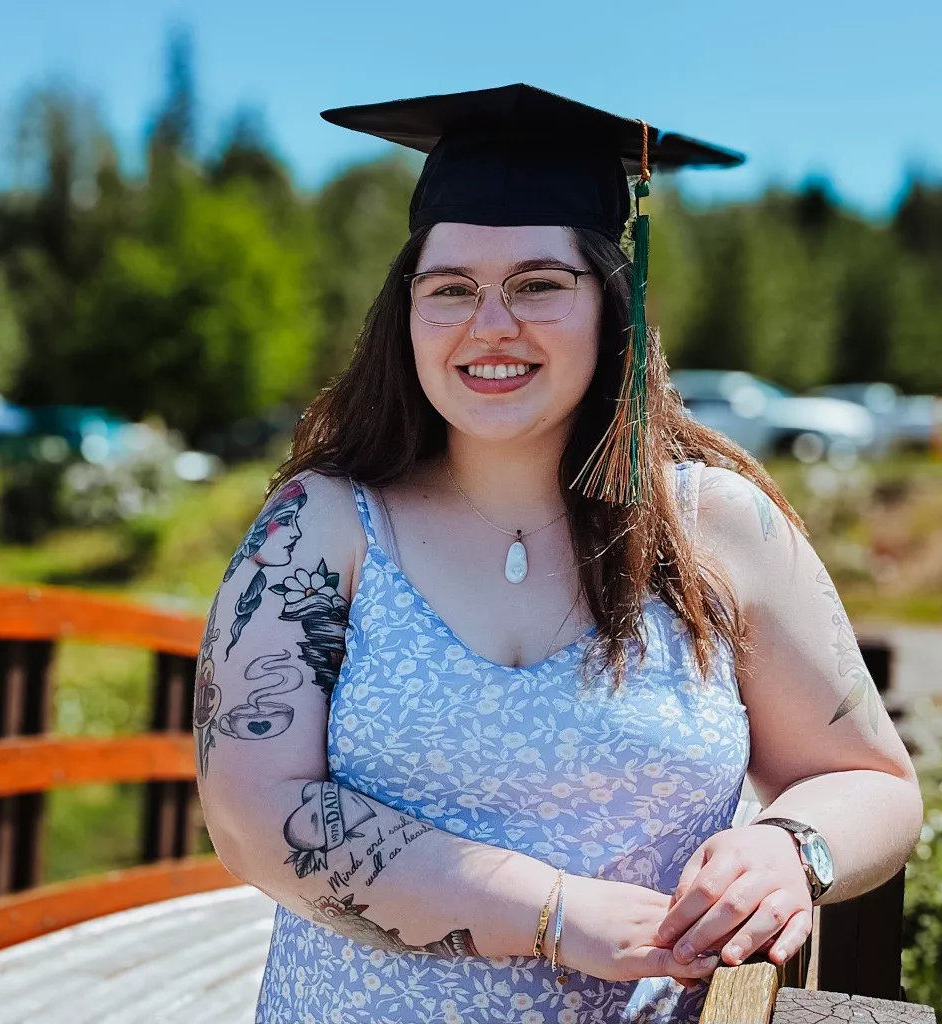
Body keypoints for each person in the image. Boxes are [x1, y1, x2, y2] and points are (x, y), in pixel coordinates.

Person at [196, 84, 923, 1024]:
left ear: (610, 302)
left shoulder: (715, 526)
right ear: (405, 311)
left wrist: (793, 846)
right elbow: (254, 816)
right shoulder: (322, 527)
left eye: (539, 283)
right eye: (449, 287)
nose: (490, 323)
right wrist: (550, 914)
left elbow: (872, 782)